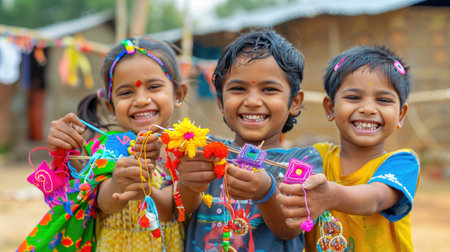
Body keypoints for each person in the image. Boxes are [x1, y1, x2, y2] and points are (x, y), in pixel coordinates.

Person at [30, 37, 187, 252]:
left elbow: (176, 209)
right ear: (110, 105)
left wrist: (146, 190)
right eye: (126, 92)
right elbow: (101, 203)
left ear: (178, 94)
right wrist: (118, 184)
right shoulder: (106, 149)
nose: (141, 100)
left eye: (154, 87)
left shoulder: (185, 150)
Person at [178, 30, 323, 251]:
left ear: (294, 102)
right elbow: (180, 210)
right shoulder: (206, 152)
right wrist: (189, 184)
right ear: (220, 102)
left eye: (268, 89)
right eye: (238, 89)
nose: (253, 101)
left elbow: (290, 228)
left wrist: (266, 191)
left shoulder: (302, 162)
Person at [277, 45, 420, 251]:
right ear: (330, 108)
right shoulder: (316, 157)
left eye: (383, 100)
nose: (368, 109)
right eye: (353, 97)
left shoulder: (402, 163)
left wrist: (330, 196)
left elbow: (376, 199)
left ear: (400, 115)